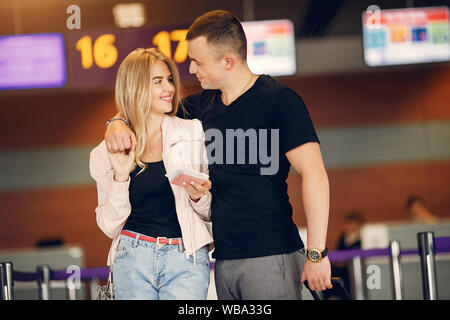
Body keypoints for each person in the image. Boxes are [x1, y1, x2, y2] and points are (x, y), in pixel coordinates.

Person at [104, 10, 332, 299]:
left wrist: (316, 252)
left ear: (228, 61)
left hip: (271, 253)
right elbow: (144, 106)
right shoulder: (199, 106)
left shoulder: (280, 101)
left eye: (198, 61)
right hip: (223, 259)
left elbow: (315, 174)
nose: (191, 69)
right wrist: (116, 123)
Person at [89, 48, 214, 300]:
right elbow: (109, 225)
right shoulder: (105, 152)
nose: (169, 88)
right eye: (157, 82)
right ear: (134, 86)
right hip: (132, 257)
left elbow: (210, 212)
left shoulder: (194, 132)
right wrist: (121, 177)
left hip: (186, 259)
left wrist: (199, 198)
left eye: (169, 80)